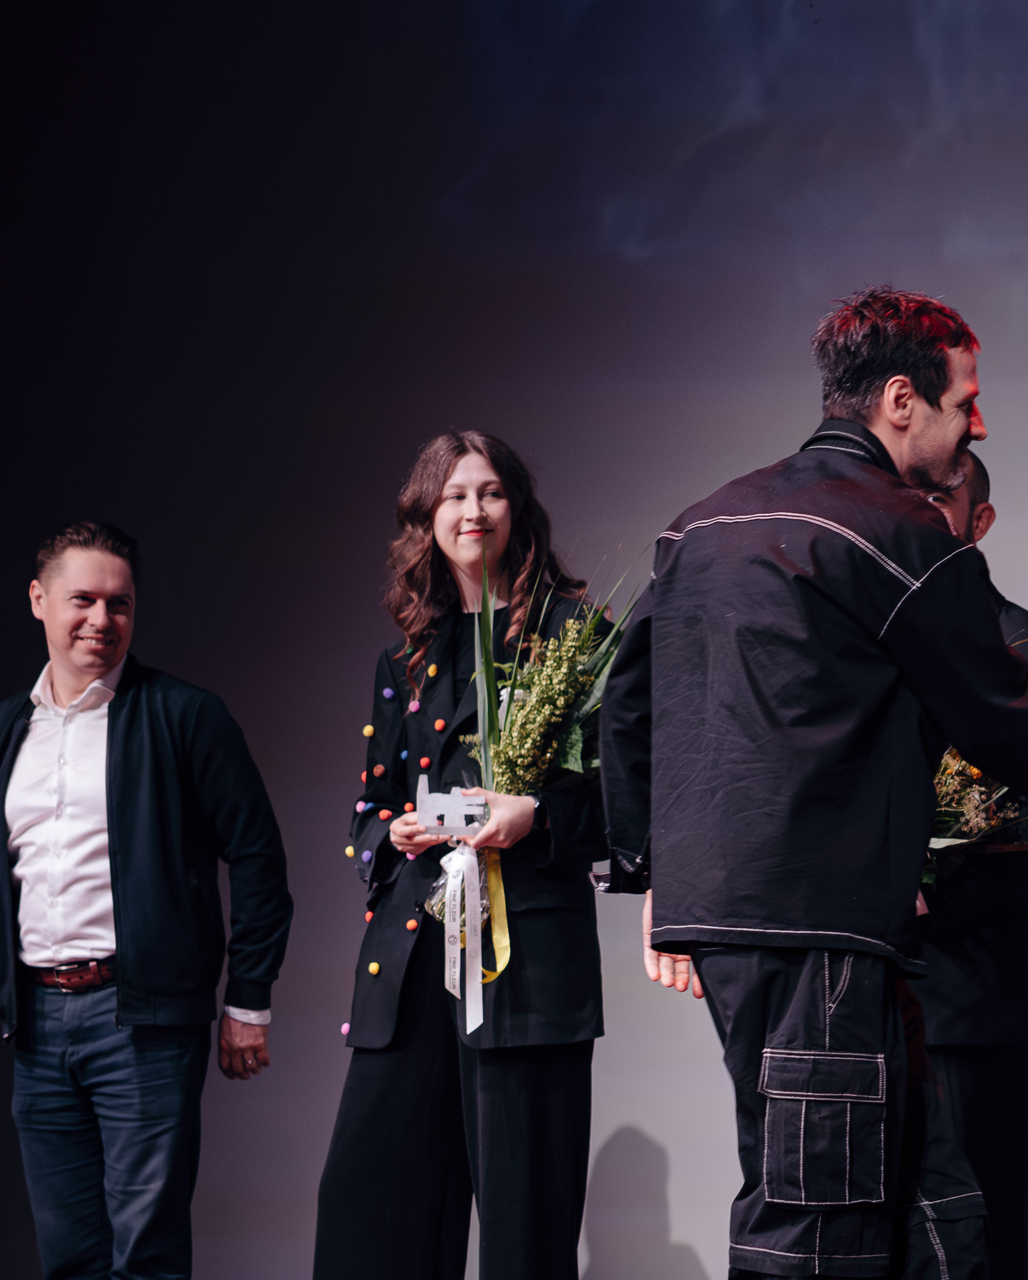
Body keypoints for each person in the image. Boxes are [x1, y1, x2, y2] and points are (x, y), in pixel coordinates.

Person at [601, 287, 1028, 1280]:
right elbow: (995, 708)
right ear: (899, 399)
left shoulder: (701, 523)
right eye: (965, 401)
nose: (979, 423)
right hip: (822, 928)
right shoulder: (895, 528)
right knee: (819, 1216)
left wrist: (653, 871)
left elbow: (627, 707)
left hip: (748, 925)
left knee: (930, 1205)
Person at [314, 433, 609, 1280]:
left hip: (525, 970)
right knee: (372, 1219)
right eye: (453, 496)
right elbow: (368, 812)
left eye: (489, 493)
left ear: (519, 508)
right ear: (426, 519)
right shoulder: (404, 655)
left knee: (524, 1231)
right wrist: (396, 832)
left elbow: (631, 801)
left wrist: (535, 816)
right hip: (413, 960)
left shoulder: (577, 635)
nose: (472, 511)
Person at [2, 520, 294, 1280]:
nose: (102, 619)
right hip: (36, 1025)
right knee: (68, 1259)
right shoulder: (8, 730)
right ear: (38, 600)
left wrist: (248, 1001)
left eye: (120, 603)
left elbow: (258, 857)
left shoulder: (185, 715)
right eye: (83, 600)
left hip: (142, 1021)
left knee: (147, 1256)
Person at [918, 455, 1028, 1280]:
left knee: (977, 1248)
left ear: (979, 521)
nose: (917, 511)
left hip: (975, 996)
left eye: (938, 498)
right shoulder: (856, 649)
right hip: (859, 994)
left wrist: (924, 891)